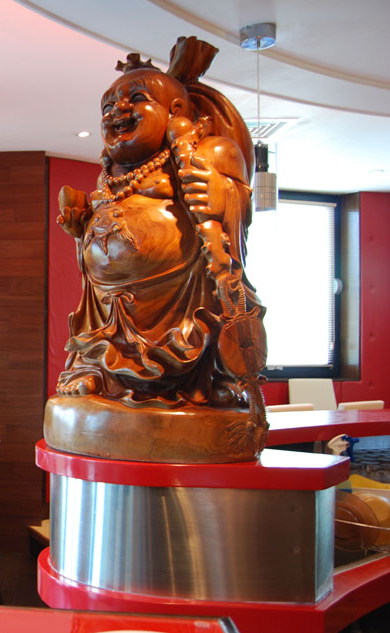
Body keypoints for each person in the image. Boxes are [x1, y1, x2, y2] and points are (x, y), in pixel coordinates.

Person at [56, 37, 266, 415]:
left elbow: (237, 211)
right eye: (108, 106)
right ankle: (102, 371)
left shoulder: (209, 151)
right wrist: (82, 231)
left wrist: (219, 192)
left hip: (180, 297)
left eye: (136, 99)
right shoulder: (111, 173)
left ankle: (192, 381)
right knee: (99, 335)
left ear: (175, 111)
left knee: (191, 342)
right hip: (112, 305)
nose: (118, 110)